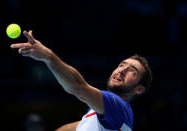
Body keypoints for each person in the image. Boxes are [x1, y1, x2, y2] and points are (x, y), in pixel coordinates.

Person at [10, 30, 152, 131]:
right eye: (122, 65)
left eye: (132, 70)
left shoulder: (119, 106)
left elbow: (77, 86)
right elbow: (75, 128)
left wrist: (49, 57)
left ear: (138, 89)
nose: (121, 70)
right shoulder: (100, 114)